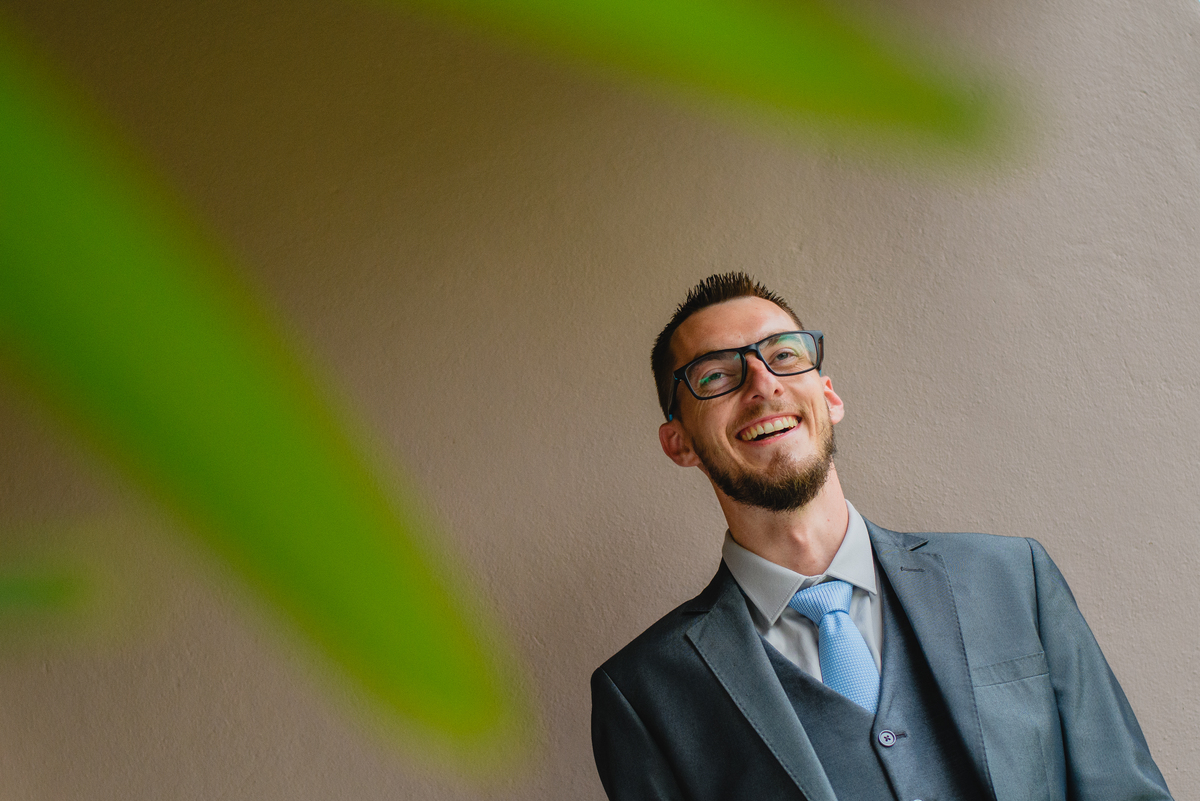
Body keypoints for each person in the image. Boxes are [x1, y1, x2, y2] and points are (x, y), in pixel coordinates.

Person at [590, 273, 1171, 801]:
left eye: (784, 356)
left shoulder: (1014, 576)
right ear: (679, 443)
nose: (763, 384)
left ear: (829, 396)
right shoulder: (643, 691)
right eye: (716, 374)